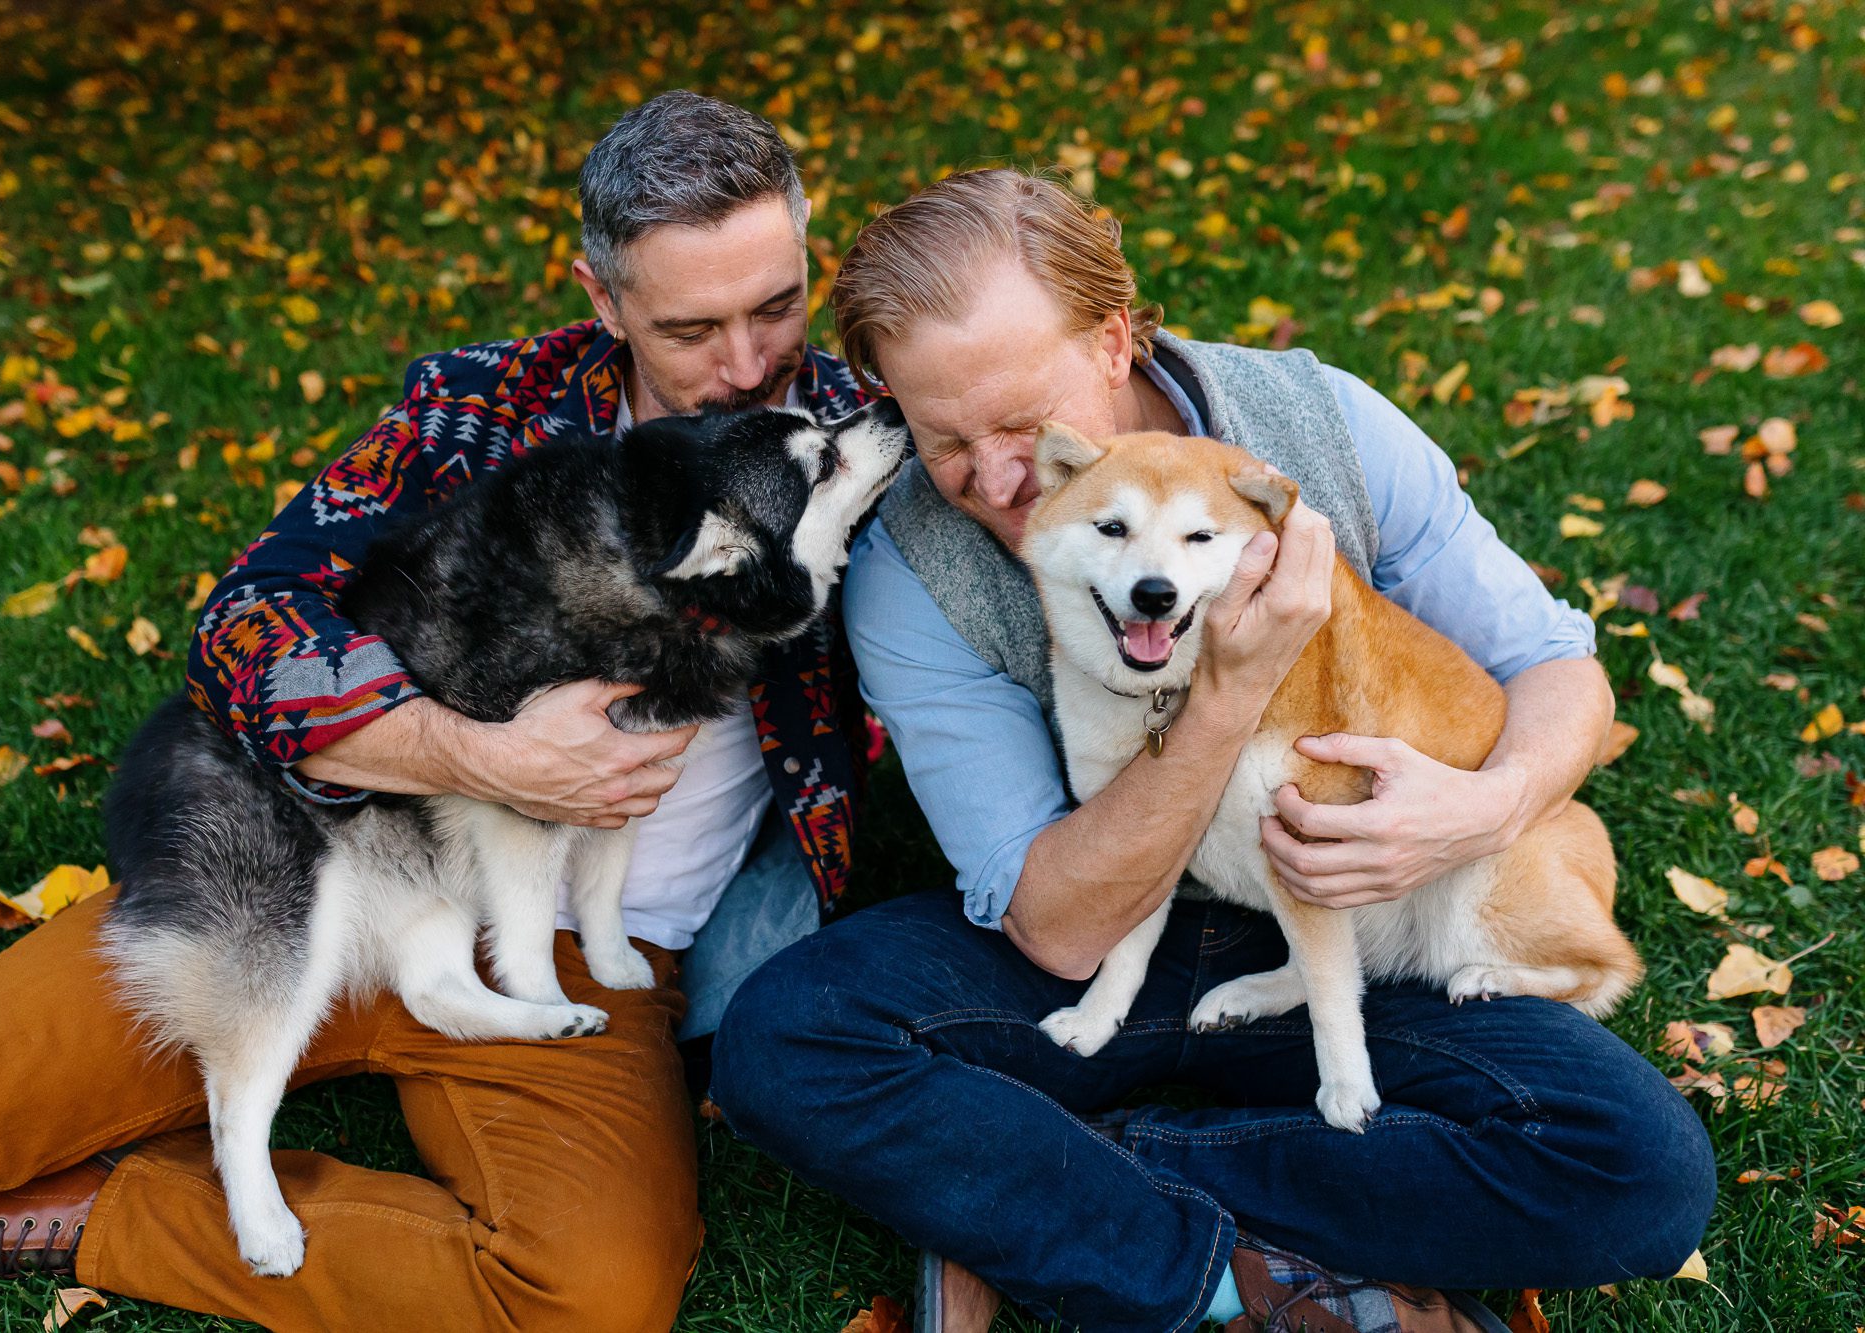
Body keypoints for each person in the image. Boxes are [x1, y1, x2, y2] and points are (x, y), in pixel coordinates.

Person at [0, 91, 874, 1331]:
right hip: (308, 855)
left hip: (578, 952)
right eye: (690, 326)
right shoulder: (482, 406)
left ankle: (65, 1219)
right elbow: (246, 622)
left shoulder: (860, 443)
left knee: (592, 1295)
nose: (745, 363)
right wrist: (471, 752)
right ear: (601, 300)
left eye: (776, 305)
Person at [709, 170, 1716, 1333]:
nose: (992, 479)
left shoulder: (1315, 419)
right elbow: (1054, 920)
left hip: (1361, 916)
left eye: (1022, 428)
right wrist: (1226, 695)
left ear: (1113, 337)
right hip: (1109, 921)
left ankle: (1071, 1175)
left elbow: (1556, 671)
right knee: (787, 1040)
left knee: (1639, 1172)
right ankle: (1256, 1285)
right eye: (943, 439)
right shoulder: (908, 571)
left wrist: (1481, 811)